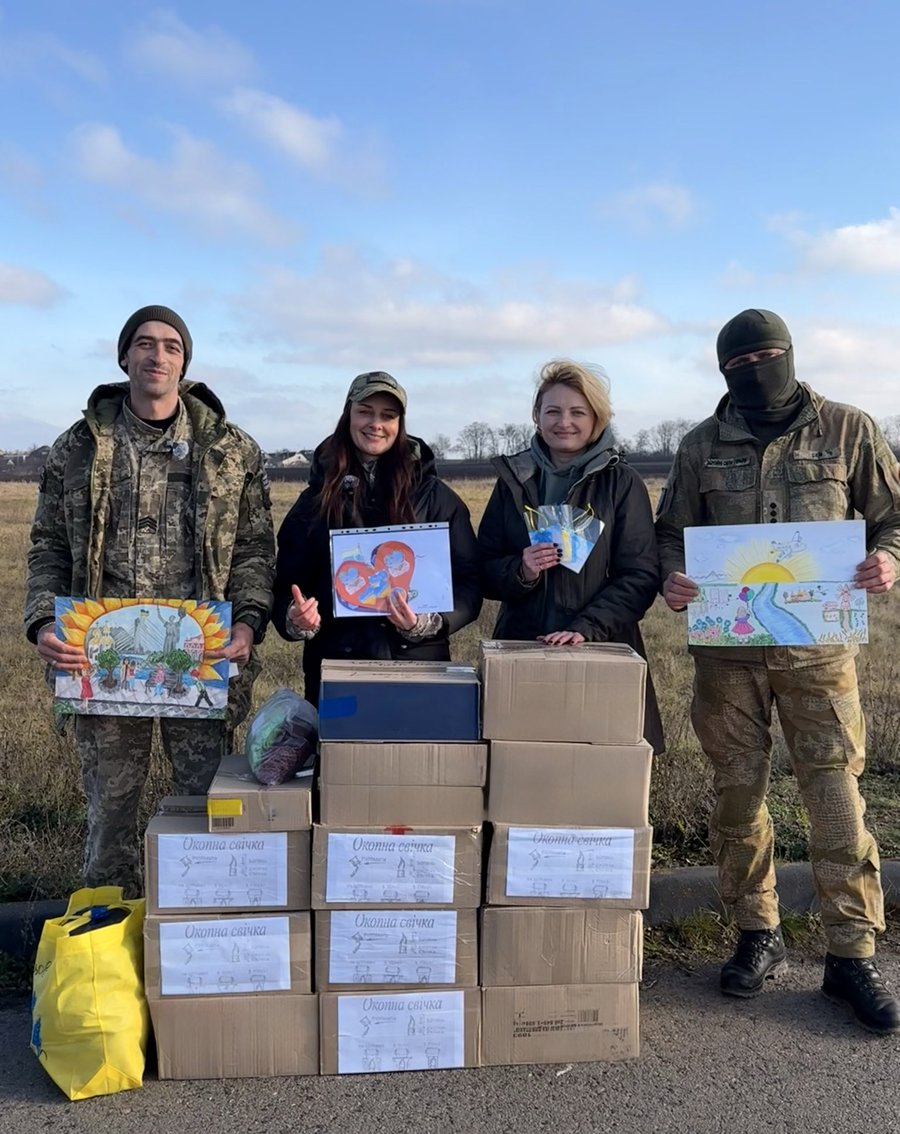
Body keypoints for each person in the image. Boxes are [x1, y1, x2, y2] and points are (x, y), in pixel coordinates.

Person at [656, 307, 900, 1034]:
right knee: (738, 794)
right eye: (740, 363)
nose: (755, 371)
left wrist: (888, 559)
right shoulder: (700, 445)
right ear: (724, 371)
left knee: (835, 795)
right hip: (726, 657)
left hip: (819, 654)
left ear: (790, 355)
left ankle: (850, 954)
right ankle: (756, 933)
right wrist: (674, 580)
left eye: (767, 356)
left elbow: (893, 517)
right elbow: (672, 535)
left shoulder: (849, 430)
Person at [25, 305, 275, 897]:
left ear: (184, 362)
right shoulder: (77, 448)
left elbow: (253, 551)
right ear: (124, 357)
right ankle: (108, 947)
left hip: (200, 659)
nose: (156, 355)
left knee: (206, 809)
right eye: (144, 343)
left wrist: (247, 623)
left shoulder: (232, 450)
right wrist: (41, 622)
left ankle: (200, 941)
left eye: (170, 346)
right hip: (105, 660)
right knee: (111, 818)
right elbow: (47, 546)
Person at [477, 359, 664, 751]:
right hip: (521, 645)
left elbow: (640, 574)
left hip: (601, 645)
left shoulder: (622, 482)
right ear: (536, 417)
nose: (565, 422)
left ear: (597, 418)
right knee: (519, 756)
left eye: (578, 412)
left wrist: (586, 628)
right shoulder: (513, 480)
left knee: (595, 762)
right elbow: (484, 566)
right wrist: (521, 570)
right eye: (553, 411)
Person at [272, 370, 481, 703]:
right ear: (348, 415)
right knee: (342, 756)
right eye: (365, 411)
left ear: (400, 423)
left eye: (388, 415)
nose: (376, 423)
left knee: (416, 755)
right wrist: (296, 619)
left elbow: (470, 583)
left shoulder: (436, 497)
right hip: (337, 671)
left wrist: (428, 624)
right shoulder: (315, 500)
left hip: (419, 669)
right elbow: (286, 585)